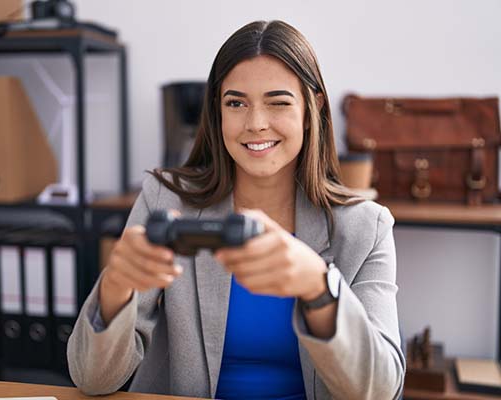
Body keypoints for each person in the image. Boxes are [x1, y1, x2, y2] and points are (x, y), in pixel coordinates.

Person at [67, 20, 405, 400]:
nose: (255, 124)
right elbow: (91, 379)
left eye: (278, 102)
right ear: (218, 110)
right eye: (236, 103)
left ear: (313, 108)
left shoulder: (366, 227)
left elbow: (380, 391)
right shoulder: (165, 199)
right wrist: (115, 285)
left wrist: (318, 285)